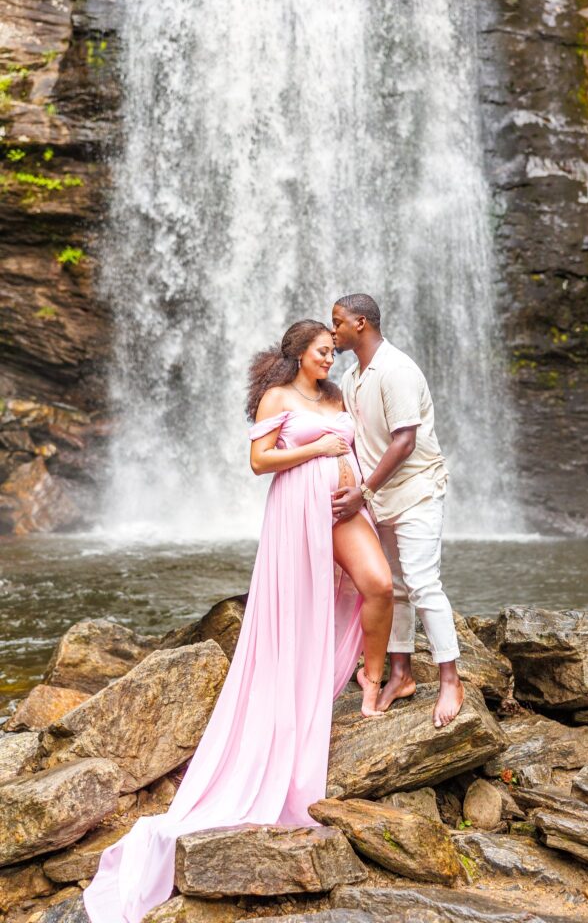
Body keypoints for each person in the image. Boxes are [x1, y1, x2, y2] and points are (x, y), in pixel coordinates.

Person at [83, 319, 393, 923]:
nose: (333, 358)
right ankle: (293, 698)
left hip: (342, 507)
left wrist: (356, 475)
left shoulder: (336, 395)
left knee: (379, 585)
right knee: (300, 608)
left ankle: (373, 678)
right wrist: (320, 450)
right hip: (295, 513)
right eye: (325, 352)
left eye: (335, 351)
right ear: (300, 354)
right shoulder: (278, 398)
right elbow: (260, 462)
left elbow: (355, 440)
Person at [331, 294, 465, 729]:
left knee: (425, 583)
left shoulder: (397, 369)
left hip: (416, 491)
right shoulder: (353, 377)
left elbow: (404, 442)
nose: (333, 331)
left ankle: (451, 680)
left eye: (338, 322)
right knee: (395, 588)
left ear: (361, 323)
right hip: (380, 499)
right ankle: (401, 674)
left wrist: (363, 492)